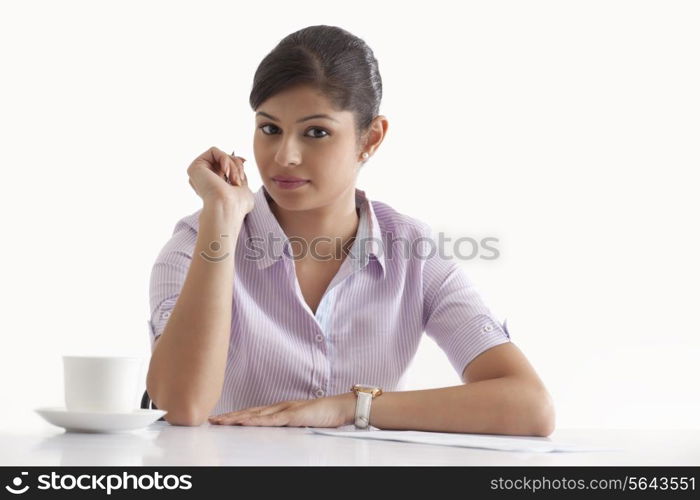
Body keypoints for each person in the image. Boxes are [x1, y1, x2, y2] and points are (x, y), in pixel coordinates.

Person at [146, 25, 555, 436]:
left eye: (316, 132)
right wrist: (221, 214)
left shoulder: (412, 252)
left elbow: (529, 407)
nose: (284, 156)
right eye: (270, 129)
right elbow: (183, 404)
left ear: (370, 138)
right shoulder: (193, 245)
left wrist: (349, 406)